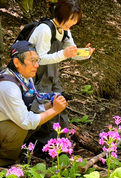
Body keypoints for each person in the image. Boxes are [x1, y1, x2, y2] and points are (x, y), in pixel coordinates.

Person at [0, 41, 69, 167]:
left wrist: (50, 106)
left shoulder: (24, 77)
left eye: (37, 60)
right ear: (17, 62)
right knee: (19, 130)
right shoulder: (8, 87)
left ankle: (8, 149)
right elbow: (26, 122)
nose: (37, 65)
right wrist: (54, 111)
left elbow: (34, 104)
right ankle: (1, 165)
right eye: (32, 61)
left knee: (38, 116)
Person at [27, 0, 95, 145]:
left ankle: (62, 141)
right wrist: (64, 54)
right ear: (61, 14)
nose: (72, 23)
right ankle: (44, 145)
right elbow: (39, 58)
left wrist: (85, 54)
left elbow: (71, 52)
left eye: (75, 20)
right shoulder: (45, 30)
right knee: (45, 105)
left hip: (52, 74)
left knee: (61, 102)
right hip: (37, 75)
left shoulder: (65, 29)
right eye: (71, 19)